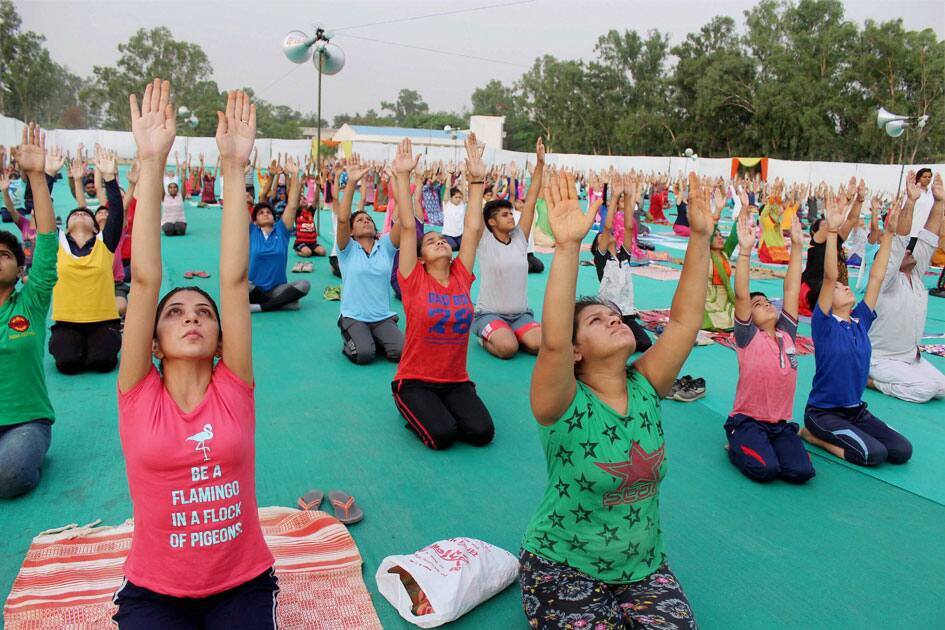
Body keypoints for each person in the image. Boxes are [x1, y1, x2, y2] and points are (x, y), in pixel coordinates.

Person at [113, 81, 278, 627]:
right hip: (155, 591)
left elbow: (233, 283)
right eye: (176, 313)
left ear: (221, 339)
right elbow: (143, 280)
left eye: (202, 314)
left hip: (241, 584)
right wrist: (151, 161)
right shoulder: (138, 393)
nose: (191, 317)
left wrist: (235, 169)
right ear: (153, 342)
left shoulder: (235, 386)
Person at [519, 171, 711, 630]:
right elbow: (551, 346)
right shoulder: (562, 403)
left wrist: (702, 236)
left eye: (613, 314)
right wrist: (567, 247)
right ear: (576, 349)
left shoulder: (647, 386)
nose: (612, 319)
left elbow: (684, 324)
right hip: (561, 565)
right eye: (595, 320)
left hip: (643, 570)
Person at [390, 135, 493, 450]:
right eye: (430, 240)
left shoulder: (461, 276)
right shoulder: (413, 278)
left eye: (442, 239)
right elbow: (409, 227)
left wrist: (476, 180)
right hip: (415, 381)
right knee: (443, 436)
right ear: (420, 257)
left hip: (456, 381)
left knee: (481, 434)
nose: (438, 240)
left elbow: (473, 229)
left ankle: (441, 412)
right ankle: (413, 408)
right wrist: (405, 177)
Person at [799, 190, 912, 467]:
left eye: (843, 285)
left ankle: (851, 432)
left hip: (856, 412)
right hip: (824, 413)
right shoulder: (824, 323)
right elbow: (829, 276)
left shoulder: (861, 320)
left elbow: (876, 276)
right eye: (838, 288)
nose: (844, 286)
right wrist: (834, 230)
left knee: (901, 451)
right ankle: (814, 436)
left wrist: (889, 234)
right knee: (874, 455)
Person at [724, 211, 814, 483]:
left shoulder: (787, 333)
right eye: (757, 305)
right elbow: (741, 294)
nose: (764, 304)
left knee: (802, 472)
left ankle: (774, 446)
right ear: (748, 317)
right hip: (748, 421)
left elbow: (790, 291)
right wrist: (745, 252)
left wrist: (797, 247)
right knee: (766, 470)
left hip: (780, 426)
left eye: (766, 302)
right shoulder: (747, 336)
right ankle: (735, 444)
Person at [0, 124, 58, 499]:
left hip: (25, 422)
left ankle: (27, 456)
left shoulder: (31, 300)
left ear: (19, 269)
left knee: (11, 477)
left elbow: (48, 244)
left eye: (5, 255)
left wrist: (37, 176)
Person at [867, 173, 945, 403]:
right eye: (904, 252)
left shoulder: (916, 277)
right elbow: (900, 241)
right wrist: (910, 202)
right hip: (881, 360)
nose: (910, 251)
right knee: (924, 390)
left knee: (941, 388)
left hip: (911, 358)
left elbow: (929, 237)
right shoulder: (887, 280)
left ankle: (899, 377)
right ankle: (870, 381)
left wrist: (939, 202)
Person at [49, 145, 124, 374]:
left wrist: (110, 179)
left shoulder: (105, 243)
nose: (80, 214)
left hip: (103, 321)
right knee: (68, 364)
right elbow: (41, 212)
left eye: (85, 214)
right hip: (66, 322)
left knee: (103, 363)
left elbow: (117, 215)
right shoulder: (56, 243)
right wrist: (47, 177)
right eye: (75, 214)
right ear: (66, 226)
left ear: (95, 227)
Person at [469, 138, 545, 359]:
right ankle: (484, 336)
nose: (511, 216)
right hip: (489, 314)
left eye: (511, 213)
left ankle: (516, 334)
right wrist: (476, 173)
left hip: (521, 315)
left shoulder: (520, 237)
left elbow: (530, 202)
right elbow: (473, 210)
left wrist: (539, 165)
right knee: (508, 349)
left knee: (541, 346)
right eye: (504, 214)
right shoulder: (484, 240)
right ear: (491, 222)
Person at [335, 154, 404, 364]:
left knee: (400, 353)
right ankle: (356, 337)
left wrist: (400, 183)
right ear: (352, 231)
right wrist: (352, 183)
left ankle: (375, 336)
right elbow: (341, 219)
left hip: (381, 317)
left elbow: (402, 220)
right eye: (360, 220)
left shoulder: (386, 247)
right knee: (364, 355)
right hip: (354, 316)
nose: (366, 221)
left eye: (369, 219)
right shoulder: (347, 249)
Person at [591, 175, 652, 354]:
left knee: (644, 344)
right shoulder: (601, 259)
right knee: (623, 343)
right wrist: (616, 197)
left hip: (626, 313)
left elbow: (629, 228)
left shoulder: (623, 256)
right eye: (600, 237)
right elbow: (608, 226)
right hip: (609, 313)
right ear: (597, 246)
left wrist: (628, 196)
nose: (604, 235)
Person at [248, 157, 310, 312]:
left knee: (304, 285)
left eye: (268, 212)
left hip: (277, 289)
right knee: (240, 284)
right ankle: (282, 303)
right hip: (253, 288)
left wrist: (295, 175)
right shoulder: (251, 231)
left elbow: (292, 205)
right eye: (261, 213)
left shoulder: (281, 230)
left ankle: (263, 307)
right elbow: (250, 200)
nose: (265, 214)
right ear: (255, 220)